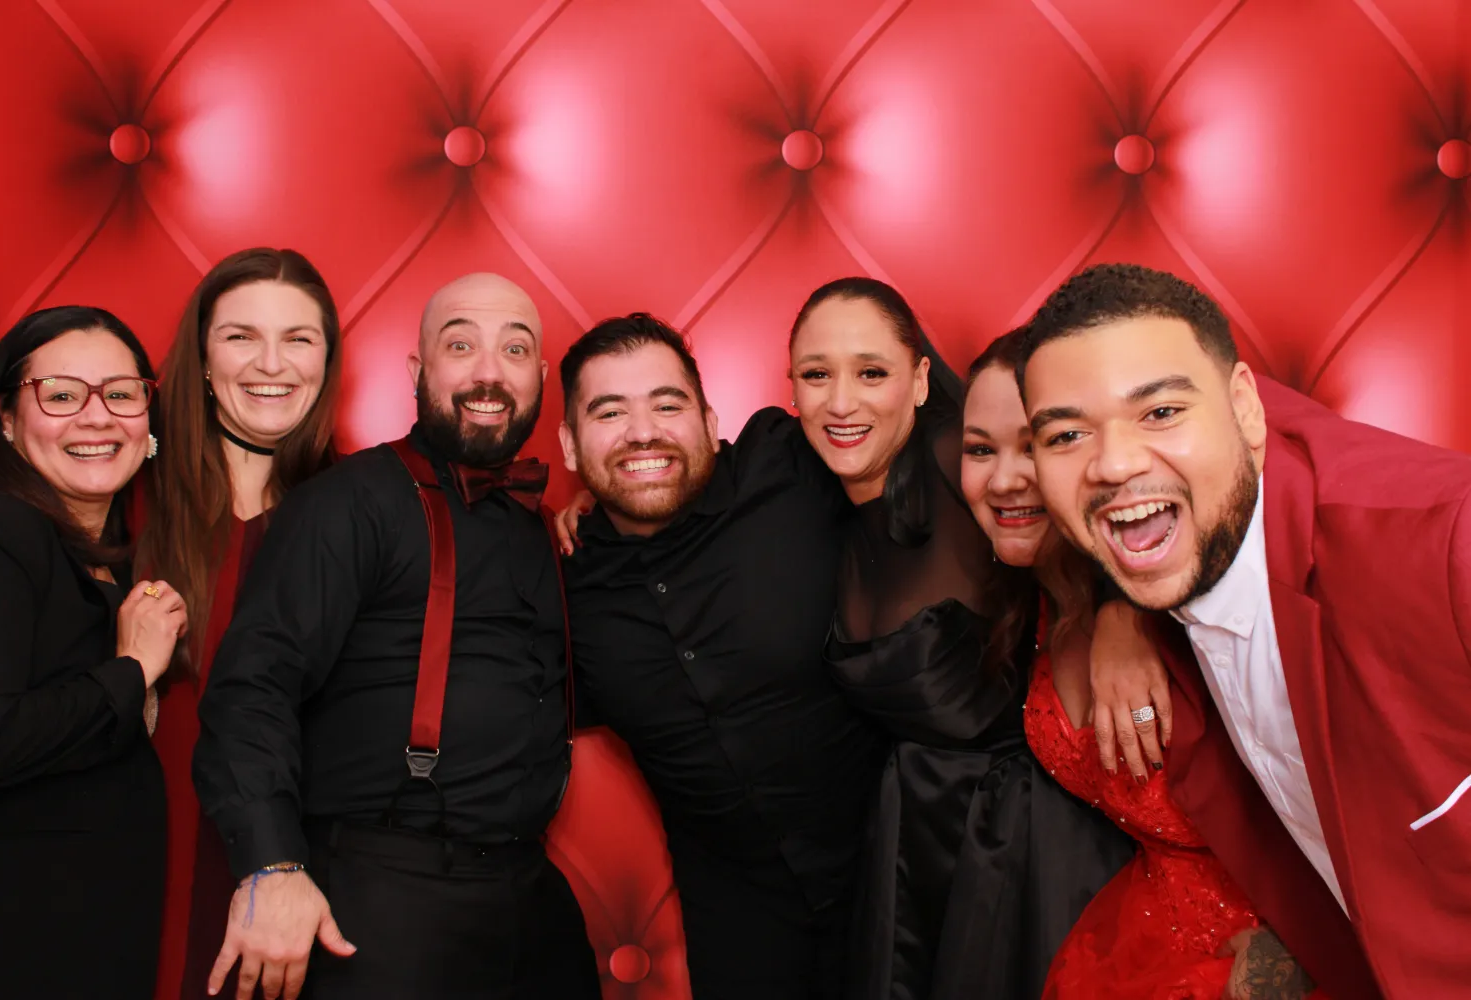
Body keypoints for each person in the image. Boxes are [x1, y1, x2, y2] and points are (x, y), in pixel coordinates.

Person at [1016, 261, 1471, 999]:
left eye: (1161, 412)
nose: (1114, 463)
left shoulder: (1447, 541)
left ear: (1246, 410)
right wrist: (1120, 610)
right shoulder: (1167, 572)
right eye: (1066, 434)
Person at [193, 273, 600, 1000]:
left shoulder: (545, 527)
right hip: (383, 896)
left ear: (539, 378)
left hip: (530, 900)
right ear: (418, 370)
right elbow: (253, 688)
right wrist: (271, 865)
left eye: (514, 350)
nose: (488, 372)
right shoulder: (348, 503)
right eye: (460, 345)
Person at [786, 277, 1133, 1000]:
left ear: (919, 380)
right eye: (816, 375)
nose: (841, 402)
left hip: (1036, 845)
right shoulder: (796, 484)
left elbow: (1100, 498)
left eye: (871, 372)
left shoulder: (967, 457)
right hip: (910, 838)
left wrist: (1123, 617)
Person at [961, 329, 1325, 1000]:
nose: (1004, 478)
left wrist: (1285, 954)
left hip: (1272, 948)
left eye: (1038, 444)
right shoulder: (1040, 602)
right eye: (980, 449)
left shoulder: (1186, 601)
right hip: (1134, 940)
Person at [555, 312, 883, 999]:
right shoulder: (561, 581)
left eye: (667, 405)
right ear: (570, 445)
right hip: (739, 920)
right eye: (609, 413)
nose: (642, 432)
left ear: (709, 420)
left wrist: (1109, 611)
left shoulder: (788, 463)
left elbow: (952, 443)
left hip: (893, 873)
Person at [138, 247, 341, 1000]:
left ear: (327, 361)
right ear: (201, 358)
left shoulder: (360, 509)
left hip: (294, 865)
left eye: (298, 338)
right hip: (134, 848)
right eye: (241, 336)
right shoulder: (128, 493)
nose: (271, 364)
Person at [0, 306, 188, 998]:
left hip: (84, 937)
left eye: (121, 394)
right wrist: (133, 669)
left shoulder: (106, 555)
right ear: (7, 419)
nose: (97, 418)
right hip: (12, 944)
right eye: (62, 395)